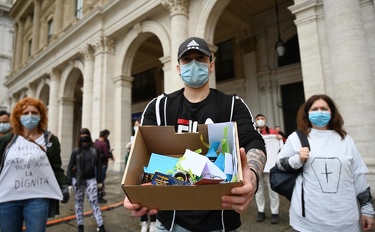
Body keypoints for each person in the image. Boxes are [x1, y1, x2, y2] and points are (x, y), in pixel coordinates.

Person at [123, 37, 267, 232]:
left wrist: (253, 175)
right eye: (187, 60)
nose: (193, 64)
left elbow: (253, 141)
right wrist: (133, 186)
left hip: (220, 220)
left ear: (211, 65)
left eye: (200, 58)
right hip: (169, 222)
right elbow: (141, 152)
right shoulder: (159, 107)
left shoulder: (233, 105)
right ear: (178, 68)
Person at [276, 94, 375, 231]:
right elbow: (280, 163)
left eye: (324, 108)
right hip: (308, 222)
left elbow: (358, 175)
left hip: (346, 221)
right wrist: (297, 160)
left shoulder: (346, 140)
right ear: (307, 113)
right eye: (314, 109)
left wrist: (367, 210)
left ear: (332, 113)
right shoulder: (297, 138)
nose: (319, 112)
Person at [0, 97, 70, 232]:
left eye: (34, 112)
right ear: (18, 116)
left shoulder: (50, 140)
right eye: (25, 113)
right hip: (8, 198)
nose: (30, 116)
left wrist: (64, 184)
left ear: (41, 115)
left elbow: (55, 167)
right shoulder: (6, 141)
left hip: (37, 198)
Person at [67, 128, 106, 232]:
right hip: (78, 180)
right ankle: (80, 226)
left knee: (94, 202)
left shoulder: (94, 150)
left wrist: (99, 181)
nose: (84, 136)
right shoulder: (76, 151)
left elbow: (98, 165)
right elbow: (70, 167)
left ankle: (100, 225)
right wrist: (69, 182)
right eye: (82, 134)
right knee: (79, 203)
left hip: (91, 179)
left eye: (86, 134)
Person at [254, 114, 283, 224]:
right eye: (258, 119)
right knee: (258, 190)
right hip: (257, 166)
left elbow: (283, 144)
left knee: (273, 190)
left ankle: (274, 212)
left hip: (270, 166)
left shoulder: (273, 133)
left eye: (262, 119)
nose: (260, 121)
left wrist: (280, 137)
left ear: (265, 120)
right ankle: (260, 211)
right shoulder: (253, 132)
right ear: (255, 121)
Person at [95, 130, 115, 203]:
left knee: (97, 179)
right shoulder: (104, 144)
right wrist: (110, 156)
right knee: (101, 180)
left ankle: (96, 194)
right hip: (103, 164)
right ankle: (100, 196)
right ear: (106, 135)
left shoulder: (95, 143)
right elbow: (106, 154)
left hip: (96, 164)